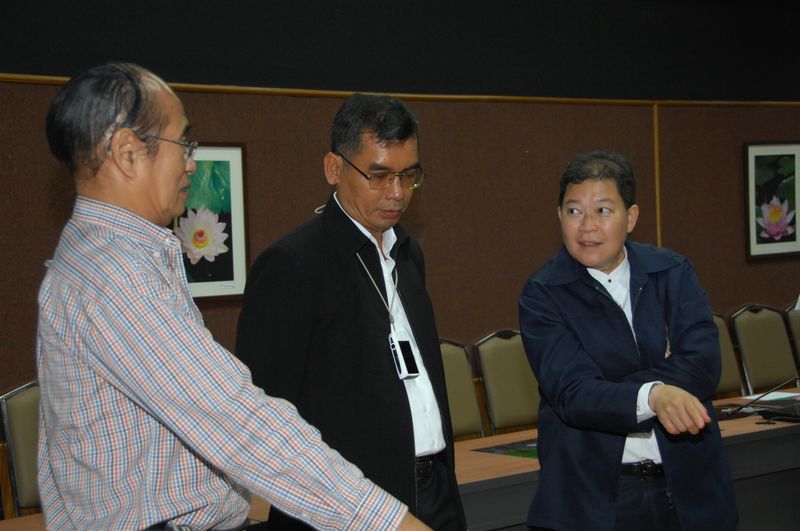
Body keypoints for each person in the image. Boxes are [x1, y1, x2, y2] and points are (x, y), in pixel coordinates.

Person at [37, 62, 431, 531]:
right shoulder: (115, 278)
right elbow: (238, 421)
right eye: (182, 143)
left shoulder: (95, 257)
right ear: (127, 153)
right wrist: (388, 523)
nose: (191, 162)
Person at [235, 94, 466, 530]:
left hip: (435, 490)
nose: (397, 193)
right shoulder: (292, 264)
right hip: (346, 508)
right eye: (378, 176)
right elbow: (265, 413)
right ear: (334, 168)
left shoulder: (409, 254)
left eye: (408, 176)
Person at [518, 150, 738, 531]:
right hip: (596, 499)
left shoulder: (672, 272)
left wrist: (611, 387)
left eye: (603, 211)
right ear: (559, 216)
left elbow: (703, 363)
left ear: (631, 217)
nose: (587, 226)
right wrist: (655, 394)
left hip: (689, 489)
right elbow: (573, 393)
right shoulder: (543, 294)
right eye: (573, 211)